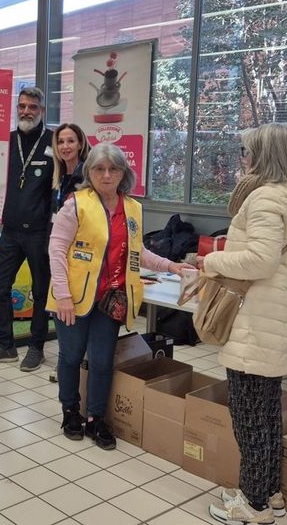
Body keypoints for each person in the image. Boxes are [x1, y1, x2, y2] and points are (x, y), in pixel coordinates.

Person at [194, 123, 287, 524]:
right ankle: (270, 492)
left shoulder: (268, 196)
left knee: (249, 417)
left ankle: (253, 505)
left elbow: (261, 261)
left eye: (248, 152)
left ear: (267, 155)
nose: (244, 159)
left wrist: (210, 261)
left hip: (256, 320)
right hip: (278, 317)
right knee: (266, 413)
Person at [49, 143, 195, 450]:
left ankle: (96, 417)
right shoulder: (76, 204)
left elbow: (137, 251)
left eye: (113, 169)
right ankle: (70, 411)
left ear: (123, 173)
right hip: (73, 298)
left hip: (112, 298)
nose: (106, 175)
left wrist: (170, 266)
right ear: (89, 172)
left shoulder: (132, 208)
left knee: (102, 361)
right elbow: (57, 250)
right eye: (99, 169)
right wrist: (62, 296)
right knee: (71, 356)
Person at [0, 87, 55, 371]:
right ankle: (6, 345)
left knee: (41, 291)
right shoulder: (6, 142)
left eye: (32, 107)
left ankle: (36, 347)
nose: (26, 111)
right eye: (22, 106)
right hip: (10, 230)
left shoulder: (54, 142)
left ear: (42, 110)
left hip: (40, 232)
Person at [51, 123, 92, 213]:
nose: (65, 146)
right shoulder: (56, 176)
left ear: (80, 144)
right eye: (60, 142)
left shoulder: (89, 176)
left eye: (70, 141)